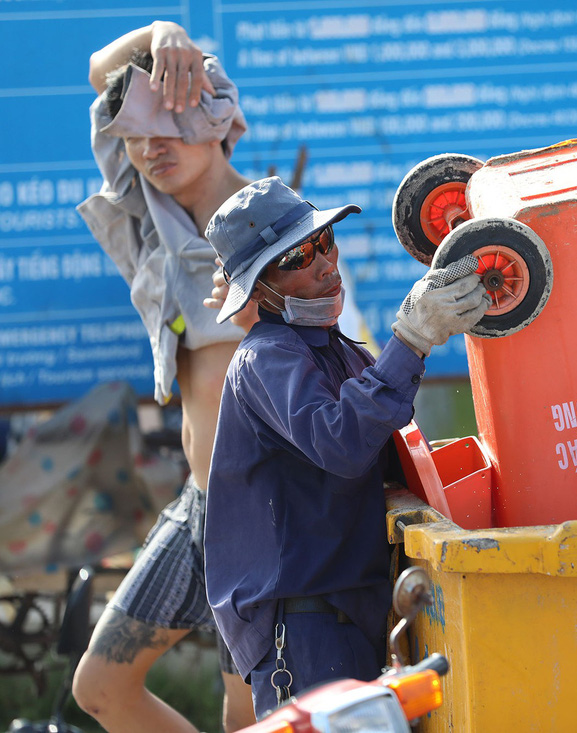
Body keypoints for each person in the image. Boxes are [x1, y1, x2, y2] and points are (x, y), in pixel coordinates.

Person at [202, 176, 489, 717]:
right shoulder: (266, 358)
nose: (324, 263)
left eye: (325, 241)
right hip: (305, 627)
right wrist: (412, 338)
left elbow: (387, 454)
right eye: (297, 258)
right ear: (260, 289)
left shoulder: (340, 353)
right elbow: (344, 442)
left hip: (348, 614)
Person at [73, 21, 256, 732]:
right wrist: (161, 33)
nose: (153, 147)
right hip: (200, 501)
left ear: (220, 122)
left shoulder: (279, 228)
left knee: (249, 717)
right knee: (100, 687)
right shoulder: (156, 218)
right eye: (139, 134)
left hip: (265, 512)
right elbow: (99, 74)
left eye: (173, 125)